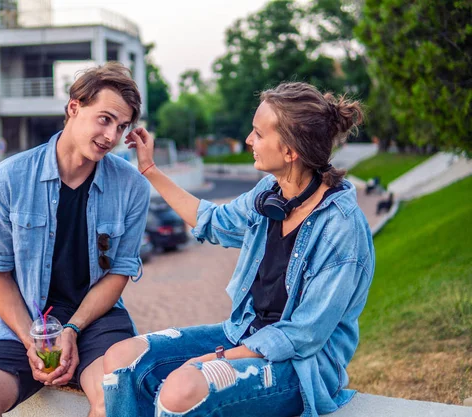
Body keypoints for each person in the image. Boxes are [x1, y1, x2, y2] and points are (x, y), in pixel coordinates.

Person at [102, 82, 375, 417]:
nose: (248, 140)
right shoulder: (269, 194)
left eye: (258, 134)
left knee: (182, 389)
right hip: (243, 335)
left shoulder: (341, 229)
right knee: (120, 359)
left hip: (301, 367)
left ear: (290, 151)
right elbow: (213, 222)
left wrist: (211, 359)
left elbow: (303, 335)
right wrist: (149, 170)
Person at [0, 62, 150, 417]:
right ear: (74, 107)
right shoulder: (7, 180)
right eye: (104, 119)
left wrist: (72, 328)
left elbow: (119, 272)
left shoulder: (132, 186)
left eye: (122, 127)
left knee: (114, 401)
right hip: (23, 320)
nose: (111, 136)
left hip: (96, 319)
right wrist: (34, 341)